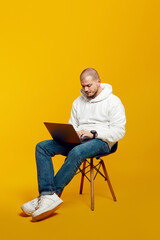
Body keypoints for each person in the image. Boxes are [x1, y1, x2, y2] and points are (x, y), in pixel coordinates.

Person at [21, 68, 126, 221]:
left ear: (98, 82)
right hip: (79, 140)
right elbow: (73, 125)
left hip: (102, 141)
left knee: (77, 152)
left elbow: (119, 131)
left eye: (89, 85)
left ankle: (50, 196)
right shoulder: (78, 102)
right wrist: (72, 133)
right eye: (83, 86)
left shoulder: (113, 101)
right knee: (42, 146)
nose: (86, 89)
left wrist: (94, 134)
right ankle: (46, 195)